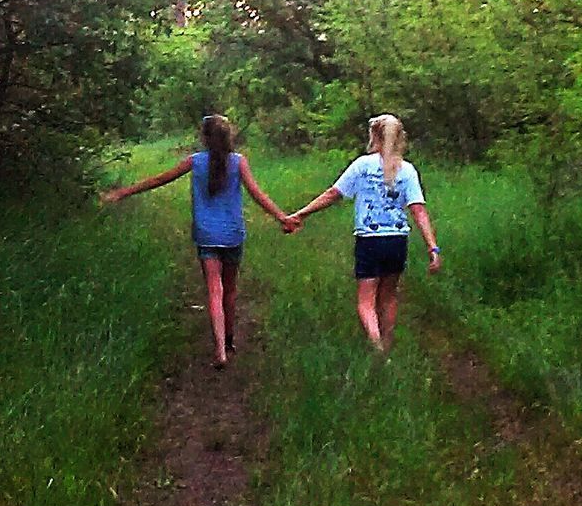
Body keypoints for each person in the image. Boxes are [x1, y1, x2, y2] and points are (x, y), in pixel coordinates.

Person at [99, 115, 293, 368]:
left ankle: (220, 350)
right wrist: (283, 218)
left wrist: (121, 193)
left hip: (206, 234)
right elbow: (257, 194)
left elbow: (159, 180)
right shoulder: (239, 162)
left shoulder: (195, 162)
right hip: (232, 234)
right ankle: (230, 339)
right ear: (228, 137)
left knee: (214, 290)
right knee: (230, 289)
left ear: (204, 138)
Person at [285, 114, 440, 353]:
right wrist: (432, 248)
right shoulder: (407, 170)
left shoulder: (362, 166)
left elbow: (332, 194)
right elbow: (418, 210)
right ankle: (387, 346)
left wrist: (300, 214)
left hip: (369, 240)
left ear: (375, 137)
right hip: (397, 240)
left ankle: (377, 348)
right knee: (388, 296)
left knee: (366, 301)